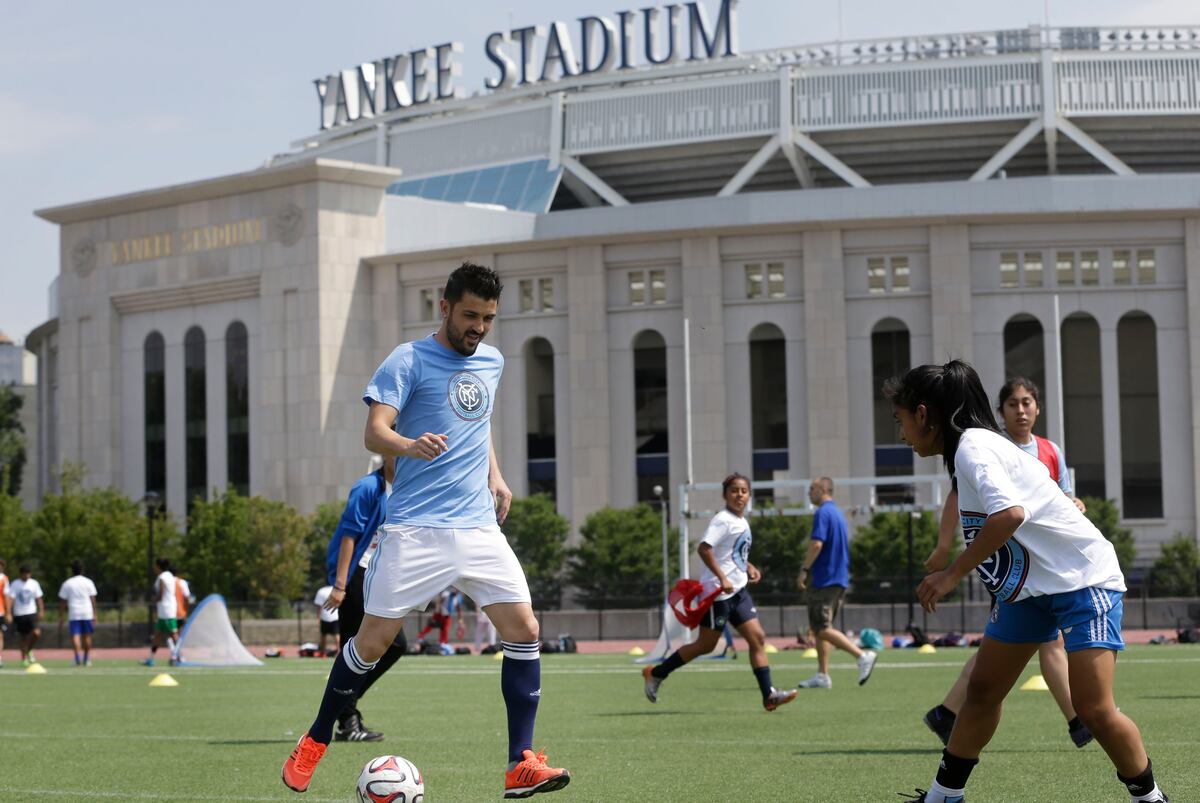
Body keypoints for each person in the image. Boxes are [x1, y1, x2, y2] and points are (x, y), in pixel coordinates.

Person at [282, 262, 570, 798]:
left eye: (487, 318)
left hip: (478, 526)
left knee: (525, 630)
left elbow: (478, 425)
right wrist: (409, 445)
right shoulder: (407, 359)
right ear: (445, 308)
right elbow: (374, 432)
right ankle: (316, 737)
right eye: (470, 316)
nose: (478, 327)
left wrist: (497, 476)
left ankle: (520, 764)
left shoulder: (492, 361)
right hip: (415, 529)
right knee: (373, 643)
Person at [887, 360, 1167, 803]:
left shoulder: (973, 448)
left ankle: (1150, 798)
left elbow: (1010, 515)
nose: (901, 433)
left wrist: (951, 573)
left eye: (900, 419)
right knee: (982, 691)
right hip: (1028, 591)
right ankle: (943, 796)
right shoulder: (971, 449)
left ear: (923, 414)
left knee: (1093, 709)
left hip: (1082, 579)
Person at [923, 377, 1093, 750]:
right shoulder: (986, 446)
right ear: (1000, 411)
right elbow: (958, 497)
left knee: (1011, 645)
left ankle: (947, 712)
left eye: (1027, 402)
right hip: (1012, 565)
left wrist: (1075, 505)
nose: (1021, 410)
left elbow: (1062, 497)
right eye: (1013, 404)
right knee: (1038, 643)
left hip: (1046, 564)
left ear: (1038, 408)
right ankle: (1080, 720)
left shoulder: (1050, 451)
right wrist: (944, 546)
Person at [641, 473, 797, 712]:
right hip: (719, 596)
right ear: (725, 494)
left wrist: (748, 566)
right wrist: (723, 578)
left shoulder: (741, 521)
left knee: (758, 638)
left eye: (744, 491)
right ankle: (656, 673)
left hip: (739, 592)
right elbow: (704, 549)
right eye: (734, 490)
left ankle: (769, 695)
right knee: (704, 645)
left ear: (749, 495)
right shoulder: (723, 519)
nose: (739, 495)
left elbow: (732, 554)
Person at [321, 455, 407, 743]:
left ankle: (344, 705)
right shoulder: (368, 487)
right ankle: (347, 720)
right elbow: (348, 536)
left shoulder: (409, 486)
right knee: (352, 646)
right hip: (357, 572)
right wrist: (340, 585)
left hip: (382, 574)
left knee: (396, 645)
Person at [795, 477, 878, 689]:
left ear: (823, 489)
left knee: (821, 628)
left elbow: (816, 544)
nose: (809, 492)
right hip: (838, 578)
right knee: (821, 627)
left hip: (824, 579)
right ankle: (822, 675)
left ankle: (862, 656)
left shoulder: (822, 513)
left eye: (812, 488)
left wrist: (804, 570)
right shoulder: (838, 513)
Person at [58, 560, 98, 666]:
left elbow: (62, 601)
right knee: (87, 636)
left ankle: (77, 659)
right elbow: (93, 599)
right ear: (82, 570)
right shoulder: (88, 582)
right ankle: (86, 659)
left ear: (72, 570)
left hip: (74, 613)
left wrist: (61, 616)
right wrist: (95, 614)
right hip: (87, 612)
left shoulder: (67, 583)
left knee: (75, 636)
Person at [143, 558, 178, 667]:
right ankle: (151, 658)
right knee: (158, 634)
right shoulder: (170, 576)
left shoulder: (163, 577)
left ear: (158, 566)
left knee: (173, 633)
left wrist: (153, 600)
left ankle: (178, 656)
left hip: (167, 610)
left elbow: (161, 595)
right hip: (166, 609)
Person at [6, 565, 43, 667]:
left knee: (36, 633)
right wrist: (8, 613)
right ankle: (23, 659)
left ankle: (29, 650)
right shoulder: (15, 584)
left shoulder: (34, 583)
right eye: (25, 573)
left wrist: (41, 610)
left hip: (31, 612)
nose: (27, 575)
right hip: (19, 614)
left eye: (28, 573)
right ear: (21, 574)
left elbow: (39, 598)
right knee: (23, 637)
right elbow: (11, 599)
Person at [417, 587, 465, 655]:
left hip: (447, 616)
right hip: (439, 614)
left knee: (445, 629)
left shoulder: (458, 598)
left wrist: (460, 619)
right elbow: (439, 603)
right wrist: (435, 614)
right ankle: (420, 636)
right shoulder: (446, 594)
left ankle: (443, 643)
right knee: (430, 625)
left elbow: (458, 608)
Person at [313, 584, 340, 655]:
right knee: (336, 635)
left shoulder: (321, 591)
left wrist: (318, 618)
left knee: (324, 635)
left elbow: (318, 607)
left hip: (325, 616)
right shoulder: (338, 590)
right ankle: (338, 651)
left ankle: (323, 652)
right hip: (335, 616)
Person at [0, 558, 9, 668]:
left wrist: (8, 612)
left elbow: (6, 596)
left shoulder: (4, 579)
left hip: (0, 612)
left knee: (0, 635)